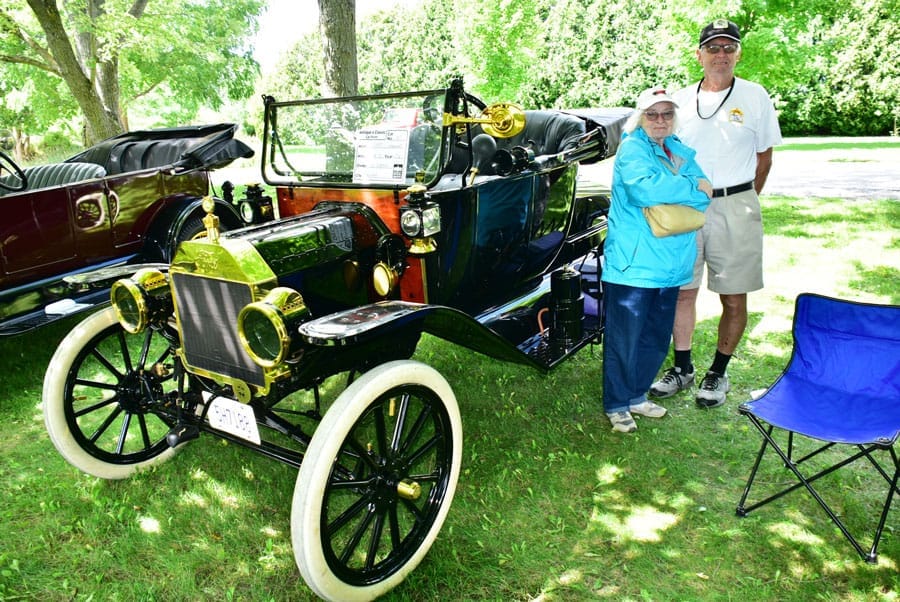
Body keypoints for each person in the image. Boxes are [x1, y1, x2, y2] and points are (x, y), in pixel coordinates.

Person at [649, 19, 783, 408]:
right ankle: (683, 366)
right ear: (699, 54)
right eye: (713, 47)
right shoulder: (679, 100)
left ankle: (718, 373)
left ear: (738, 53)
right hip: (687, 207)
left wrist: (740, 199)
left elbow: (764, 158)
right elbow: (665, 151)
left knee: (733, 298)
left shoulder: (756, 96)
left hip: (735, 204)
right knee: (682, 292)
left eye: (728, 47)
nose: (720, 55)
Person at [602, 87, 712, 433]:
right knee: (625, 338)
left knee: (655, 336)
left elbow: (706, 190)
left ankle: (636, 395)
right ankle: (617, 403)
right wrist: (689, 189)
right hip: (634, 266)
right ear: (640, 117)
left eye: (666, 114)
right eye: (652, 114)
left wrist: (685, 187)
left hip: (672, 263)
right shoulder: (632, 148)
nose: (660, 120)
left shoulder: (677, 148)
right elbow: (644, 190)